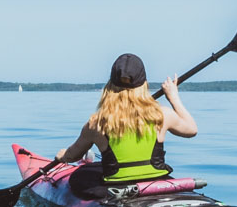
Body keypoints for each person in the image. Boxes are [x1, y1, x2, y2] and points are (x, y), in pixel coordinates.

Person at [56, 53, 198, 198]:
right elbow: (191, 130)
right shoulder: (162, 115)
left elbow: (72, 155)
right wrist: (173, 97)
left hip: (116, 187)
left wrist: (63, 155)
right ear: (144, 84)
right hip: (155, 183)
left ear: (110, 86)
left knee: (80, 175)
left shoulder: (96, 123)